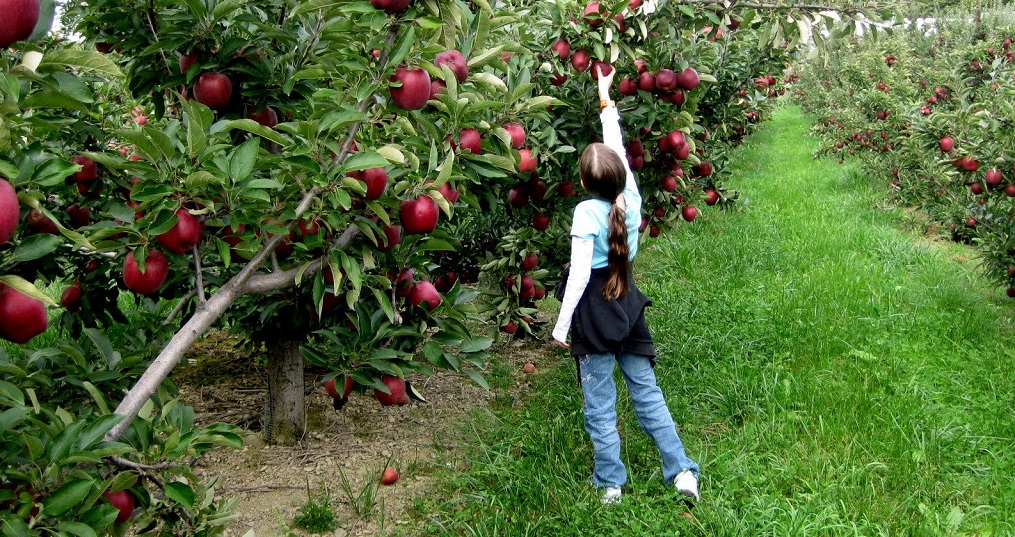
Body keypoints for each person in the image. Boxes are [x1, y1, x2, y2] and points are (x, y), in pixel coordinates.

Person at [551, 64, 700, 506]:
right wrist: (606, 100)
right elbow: (615, 148)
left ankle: (611, 483)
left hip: (594, 316)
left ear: (583, 183)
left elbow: (580, 274)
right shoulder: (629, 201)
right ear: (620, 175)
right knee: (647, 394)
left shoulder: (586, 212)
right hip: (627, 305)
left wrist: (561, 325)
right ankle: (682, 472)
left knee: (600, 404)